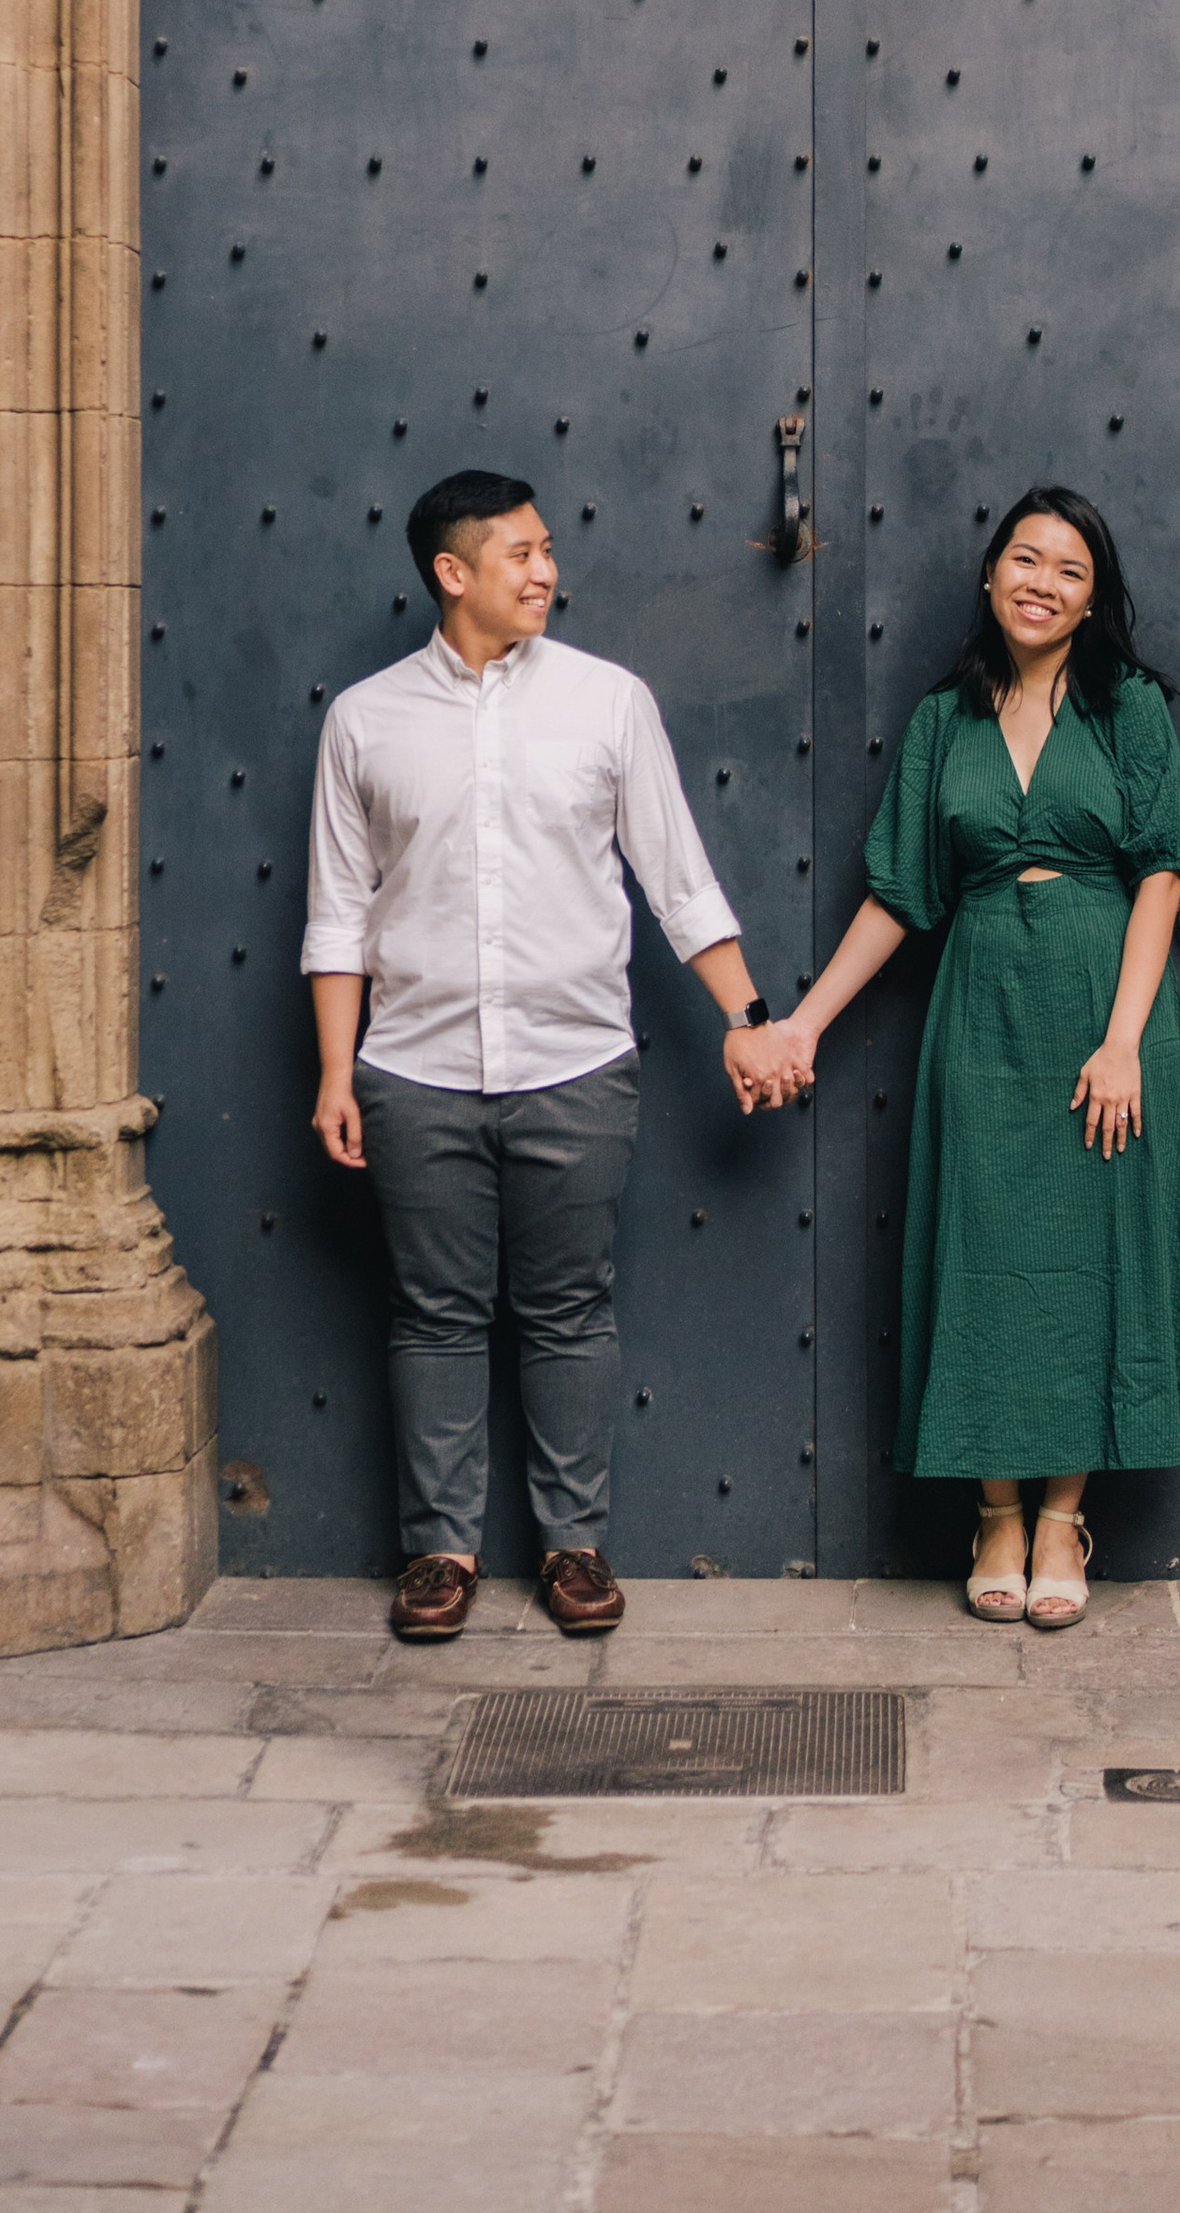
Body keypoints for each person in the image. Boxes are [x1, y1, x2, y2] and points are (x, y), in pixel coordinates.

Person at [303, 469, 800, 1641]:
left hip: (577, 1065)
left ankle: (575, 1546)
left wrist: (749, 1014)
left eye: (546, 549)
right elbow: (338, 909)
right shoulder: (366, 720)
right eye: (519, 554)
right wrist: (336, 1070)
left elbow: (677, 880)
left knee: (570, 1310)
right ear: (452, 573)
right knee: (432, 1314)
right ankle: (440, 1555)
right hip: (413, 1067)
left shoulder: (607, 701)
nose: (545, 572)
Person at [764, 488, 1180, 1626]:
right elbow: (899, 895)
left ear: (1093, 598)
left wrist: (1121, 1042)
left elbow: (1160, 870)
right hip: (981, 1015)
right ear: (989, 576)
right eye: (1025, 559)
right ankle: (995, 1513)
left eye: (1069, 570)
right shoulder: (941, 723)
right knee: (983, 1247)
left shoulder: (1128, 709)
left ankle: (1062, 1515)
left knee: (1089, 1256)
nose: (1042, 583)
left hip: (1098, 1008)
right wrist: (805, 1024)